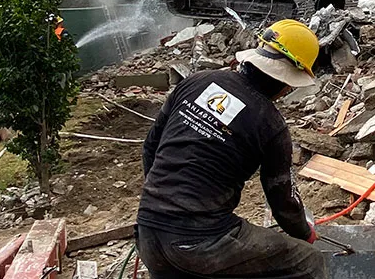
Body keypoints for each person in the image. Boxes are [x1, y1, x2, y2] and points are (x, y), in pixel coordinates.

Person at [136, 19, 326, 279]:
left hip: (148, 233)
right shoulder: (270, 124)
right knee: (309, 262)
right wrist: (304, 233)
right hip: (202, 242)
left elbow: (150, 148)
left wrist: (163, 205)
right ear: (288, 82)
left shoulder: (196, 82)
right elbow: (282, 198)